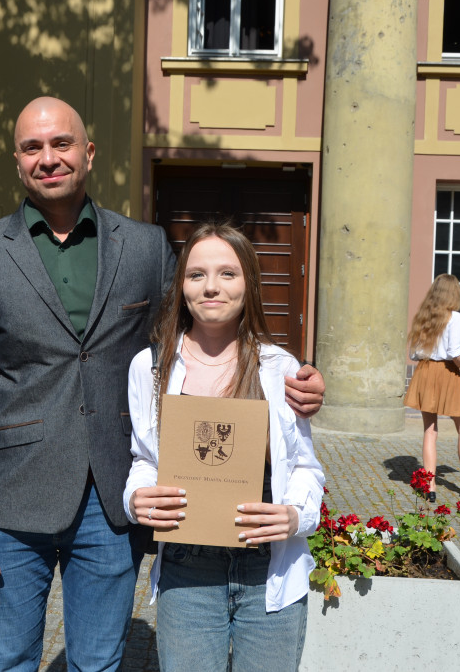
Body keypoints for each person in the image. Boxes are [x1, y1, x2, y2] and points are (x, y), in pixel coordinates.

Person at [0, 96, 326, 671]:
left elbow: (200, 330)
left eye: (61, 143)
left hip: (112, 500)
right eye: (32, 148)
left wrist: (295, 377)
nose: (49, 158)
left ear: (88, 153)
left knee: (98, 662)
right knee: (10, 660)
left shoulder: (143, 246)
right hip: (11, 501)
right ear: (17, 161)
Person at [123, 224, 325, 672]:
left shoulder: (279, 367)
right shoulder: (150, 367)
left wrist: (295, 515)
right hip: (187, 570)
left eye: (227, 274)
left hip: (267, 570)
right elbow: (144, 460)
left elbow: (306, 468)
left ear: (249, 284)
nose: (211, 286)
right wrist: (136, 499)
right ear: (181, 287)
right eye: (196, 275)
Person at [404, 274, 460, 500]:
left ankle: (429, 485)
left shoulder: (424, 316)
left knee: (430, 429)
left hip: (425, 371)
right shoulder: (454, 318)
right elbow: (455, 352)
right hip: (446, 372)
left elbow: (413, 353)